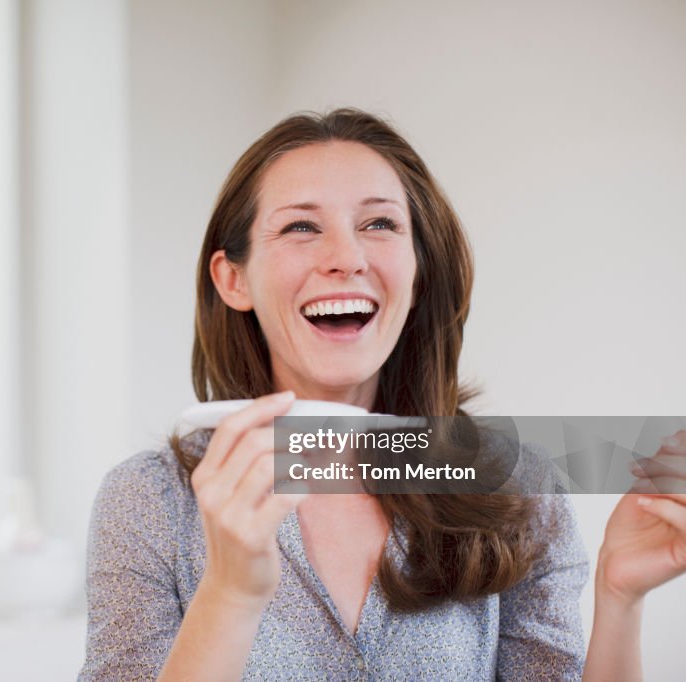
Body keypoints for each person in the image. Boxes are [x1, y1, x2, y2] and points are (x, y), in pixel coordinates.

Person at [78, 109, 686, 680]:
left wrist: (618, 596)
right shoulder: (149, 502)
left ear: (418, 271)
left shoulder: (511, 484)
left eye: (379, 224)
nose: (346, 257)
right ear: (234, 279)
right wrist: (230, 595)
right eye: (300, 227)